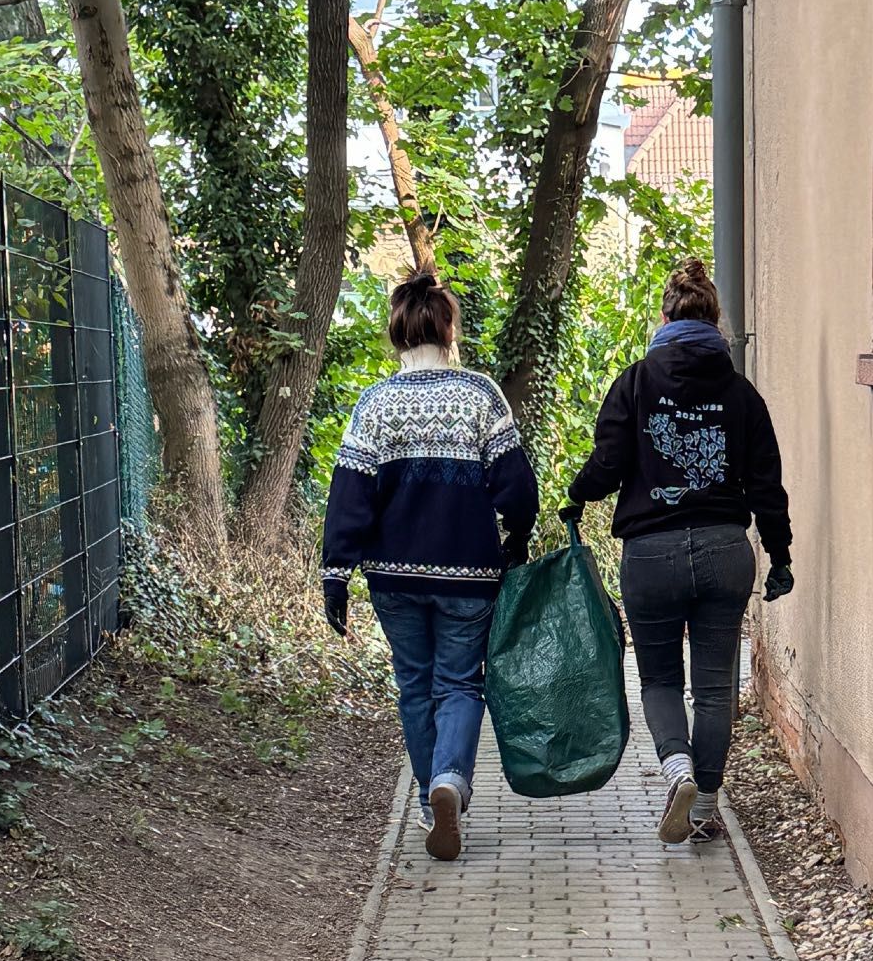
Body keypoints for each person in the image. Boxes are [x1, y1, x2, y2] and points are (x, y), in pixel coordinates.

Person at [562, 259, 793, 845]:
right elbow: (767, 482)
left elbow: (609, 463)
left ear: (663, 318)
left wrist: (576, 496)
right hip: (723, 550)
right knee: (715, 688)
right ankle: (704, 805)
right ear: (717, 324)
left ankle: (677, 771)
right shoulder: (742, 395)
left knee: (660, 682)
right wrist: (781, 555)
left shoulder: (635, 383)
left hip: (651, 554)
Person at [321, 268, 538, 862]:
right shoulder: (479, 395)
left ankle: (426, 799)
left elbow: (349, 495)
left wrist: (335, 575)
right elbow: (516, 486)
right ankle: (451, 779)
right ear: (447, 330)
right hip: (469, 574)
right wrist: (518, 533)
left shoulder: (374, 405)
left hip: (392, 577)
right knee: (462, 683)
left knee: (415, 684)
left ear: (398, 333)